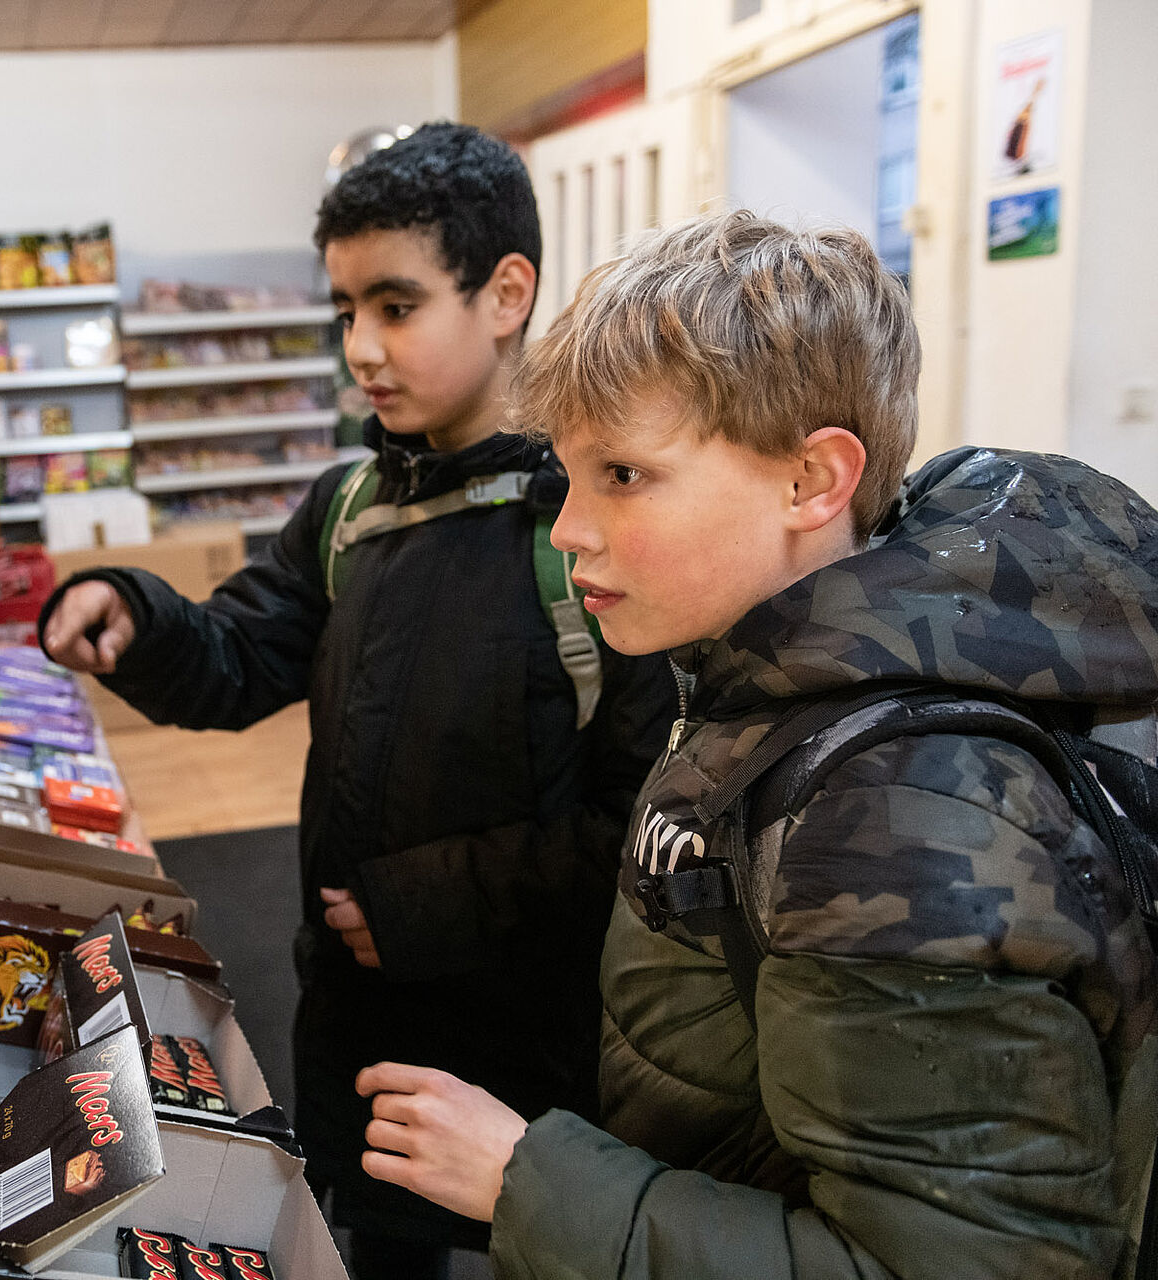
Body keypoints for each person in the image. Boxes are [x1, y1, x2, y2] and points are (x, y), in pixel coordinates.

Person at [355, 209, 1158, 1278]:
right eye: (569, 473)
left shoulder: (893, 820)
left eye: (625, 476)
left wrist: (524, 1180)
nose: (569, 528)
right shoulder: (790, 669)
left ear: (813, 481)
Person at [38, 122, 676, 1278]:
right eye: (345, 312)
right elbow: (238, 655)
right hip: (354, 1027)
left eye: (394, 305)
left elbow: (648, 823)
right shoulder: (348, 511)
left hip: (534, 1050)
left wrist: (419, 903)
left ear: (505, 293)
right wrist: (135, 612)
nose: (361, 351)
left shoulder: (588, 529)